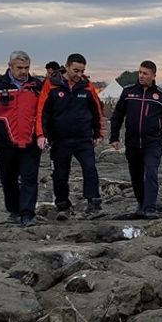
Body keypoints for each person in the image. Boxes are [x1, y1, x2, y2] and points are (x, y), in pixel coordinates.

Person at [37, 53, 104, 219]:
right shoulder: (51, 84)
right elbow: (42, 111)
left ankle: (94, 203)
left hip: (83, 138)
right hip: (60, 139)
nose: (79, 74)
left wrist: (98, 133)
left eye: (82, 71)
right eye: (75, 70)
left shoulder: (87, 86)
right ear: (66, 67)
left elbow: (97, 111)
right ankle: (62, 205)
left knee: (90, 169)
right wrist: (41, 134)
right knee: (60, 173)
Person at [0, 51, 44, 226]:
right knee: (8, 177)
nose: (23, 71)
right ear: (10, 66)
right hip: (4, 141)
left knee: (29, 178)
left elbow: (44, 113)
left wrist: (44, 134)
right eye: (19, 68)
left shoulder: (36, 86)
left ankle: (28, 214)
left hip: (31, 141)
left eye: (26, 68)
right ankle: (14, 210)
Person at [109, 60, 162, 218]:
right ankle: (141, 204)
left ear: (153, 75)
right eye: (140, 72)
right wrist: (114, 137)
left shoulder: (161, 96)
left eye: (145, 73)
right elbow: (117, 116)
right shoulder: (128, 93)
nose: (141, 76)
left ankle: (150, 208)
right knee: (136, 176)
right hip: (132, 143)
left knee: (151, 173)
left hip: (152, 143)